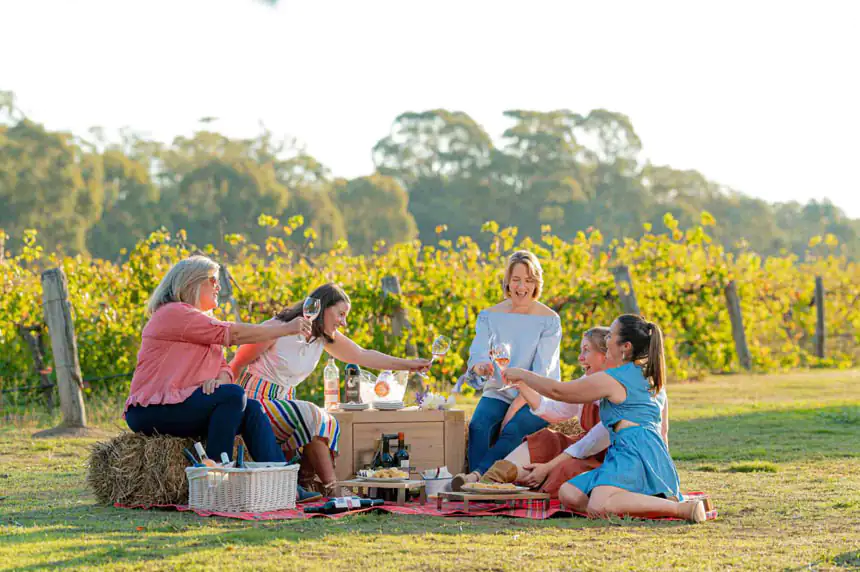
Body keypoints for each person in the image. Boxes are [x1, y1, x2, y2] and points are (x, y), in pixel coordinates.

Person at [124, 255, 322, 502]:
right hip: (153, 410)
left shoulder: (203, 321)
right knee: (234, 395)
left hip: (182, 405)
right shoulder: (173, 314)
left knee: (250, 408)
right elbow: (234, 334)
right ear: (191, 283)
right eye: (213, 280)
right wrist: (285, 328)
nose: (218, 286)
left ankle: (284, 485)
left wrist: (218, 378)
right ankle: (217, 479)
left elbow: (225, 368)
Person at [229, 283, 430, 496]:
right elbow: (238, 363)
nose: (343, 322)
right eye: (340, 314)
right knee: (312, 414)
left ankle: (305, 483)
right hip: (256, 402)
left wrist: (410, 365)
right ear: (323, 308)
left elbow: (362, 355)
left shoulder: (321, 337)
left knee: (326, 419)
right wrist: (228, 407)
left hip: (284, 403)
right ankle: (332, 488)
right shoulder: (279, 328)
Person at [503, 314, 706, 523]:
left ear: (625, 346)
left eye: (610, 335)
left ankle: (680, 508)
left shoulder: (615, 379)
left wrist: (523, 374)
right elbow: (663, 431)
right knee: (569, 493)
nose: (606, 340)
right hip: (623, 451)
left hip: (636, 452)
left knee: (598, 505)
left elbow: (558, 391)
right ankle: (630, 503)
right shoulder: (642, 373)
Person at [452, 250, 562, 491]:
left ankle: (477, 480)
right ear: (507, 282)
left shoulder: (549, 320)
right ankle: (480, 485)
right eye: (516, 279)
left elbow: (541, 373)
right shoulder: (490, 316)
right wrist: (480, 367)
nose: (522, 286)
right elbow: (478, 354)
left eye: (529, 280)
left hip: (535, 396)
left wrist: (514, 409)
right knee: (479, 426)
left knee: (513, 429)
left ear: (536, 283)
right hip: (499, 391)